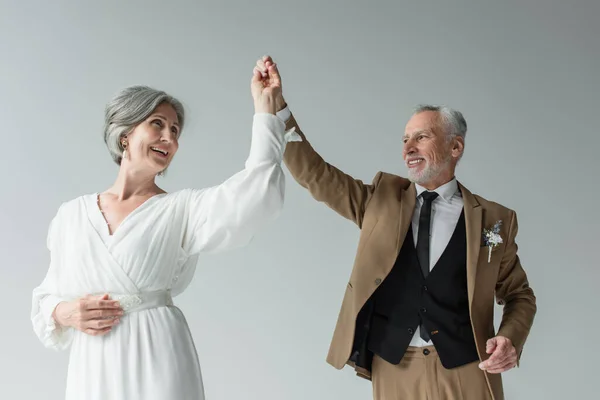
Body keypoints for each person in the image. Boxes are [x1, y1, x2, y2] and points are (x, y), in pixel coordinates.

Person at [254, 56, 536, 400]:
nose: (408, 148)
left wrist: (510, 338)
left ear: (455, 146)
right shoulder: (381, 200)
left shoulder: (493, 219)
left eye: (422, 136)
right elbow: (315, 174)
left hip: (467, 369)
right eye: (405, 139)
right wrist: (278, 109)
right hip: (395, 365)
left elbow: (519, 295)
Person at [31, 61, 298, 400]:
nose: (168, 137)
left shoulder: (181, 210)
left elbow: (254, 194)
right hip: (93, 365)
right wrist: (65, 312)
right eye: (157, 124)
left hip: (158, 356)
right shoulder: (71, 216)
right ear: (124, 134)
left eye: (175, 131)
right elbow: (45, 297)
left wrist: (265, 110)